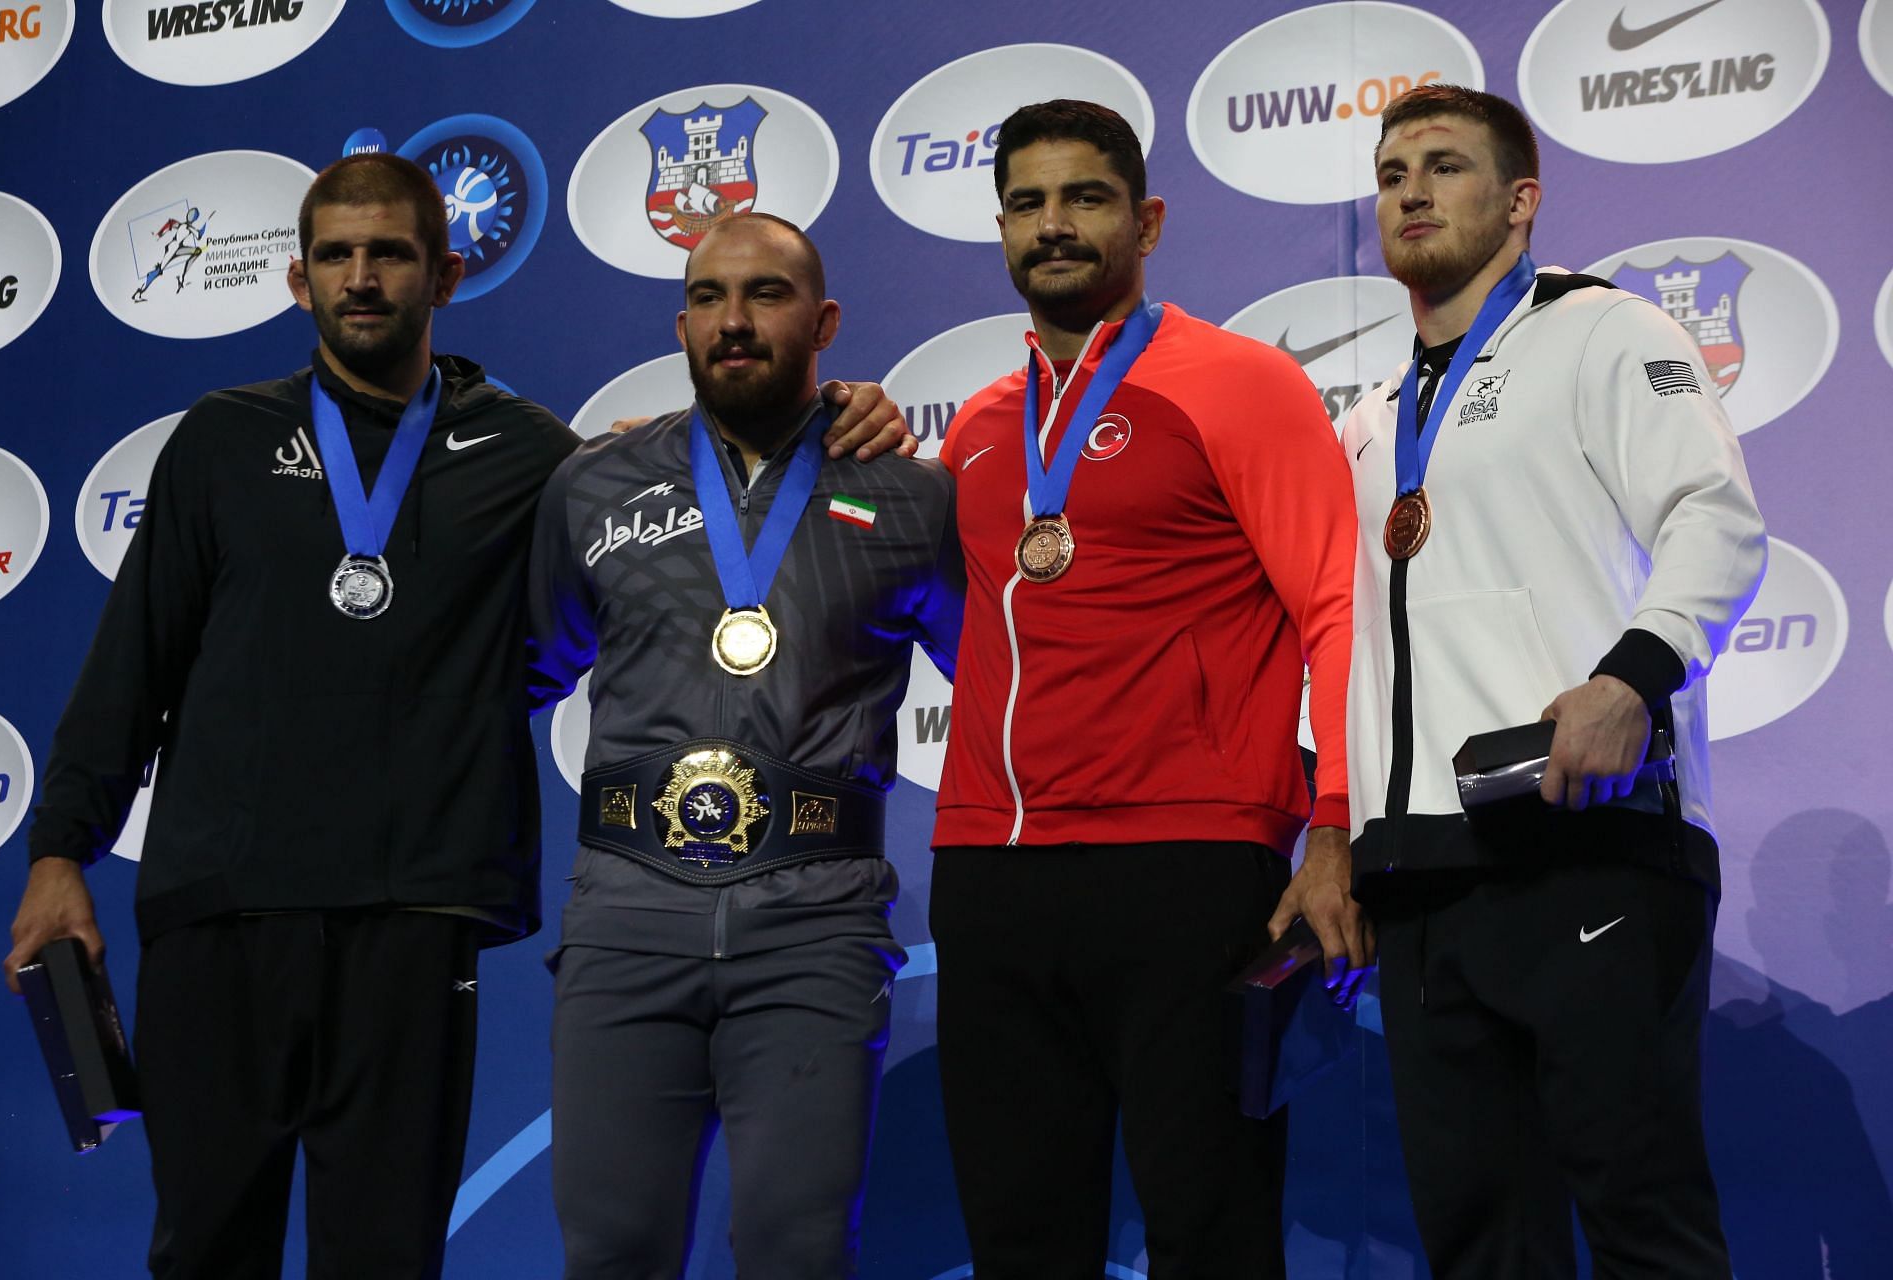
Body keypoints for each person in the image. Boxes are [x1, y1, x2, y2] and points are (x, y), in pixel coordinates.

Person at [0, 154, 910, 1279]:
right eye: (337, 255)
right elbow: (131, 661)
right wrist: (59, 850)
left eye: (390, 253)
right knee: (201, 1249)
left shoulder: (536, 456)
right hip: (223, 914)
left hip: (415, 918)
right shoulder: (220, 441)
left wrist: (839, 408)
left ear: (449, 273)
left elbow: (705, 469)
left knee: (386, 1256)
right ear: (296, 280)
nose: (362, 278)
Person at [928, 99, 1362, 1278]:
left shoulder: (1239, 383)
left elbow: (1339, 606)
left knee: (1208, 1226)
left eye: (1086, 197)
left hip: (1188, 860)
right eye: (1027, 202)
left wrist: (1333, 827)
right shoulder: (975, 427)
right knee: (1020, 1236)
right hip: (991, 869)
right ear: (1001, 226)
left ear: (1148, 218)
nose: (1053, 225)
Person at [1345, 84, 1765, 1277]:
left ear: (1520, 202)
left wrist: (1633, 677)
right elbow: (1355, 643)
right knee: (1480, 1244)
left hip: (1590, 840)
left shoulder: (1608, 331)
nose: (1411, 190)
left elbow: (1716, 520)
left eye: (1444, 165)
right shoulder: (1371, 419)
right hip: (1420, 875)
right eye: (1390, 172)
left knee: (1644, 1224)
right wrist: (1341, 831)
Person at [526, 212, 964, 1280]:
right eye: (711, 298)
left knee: (797, 1250)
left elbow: (1004, 686)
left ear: (823, 321)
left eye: (766, 294)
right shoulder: (595, 482)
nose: (735, 321)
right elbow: (521, 670)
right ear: (681, 323)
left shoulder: (913, 494)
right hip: (627, 922)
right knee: (612, 1249)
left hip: (814, 927)